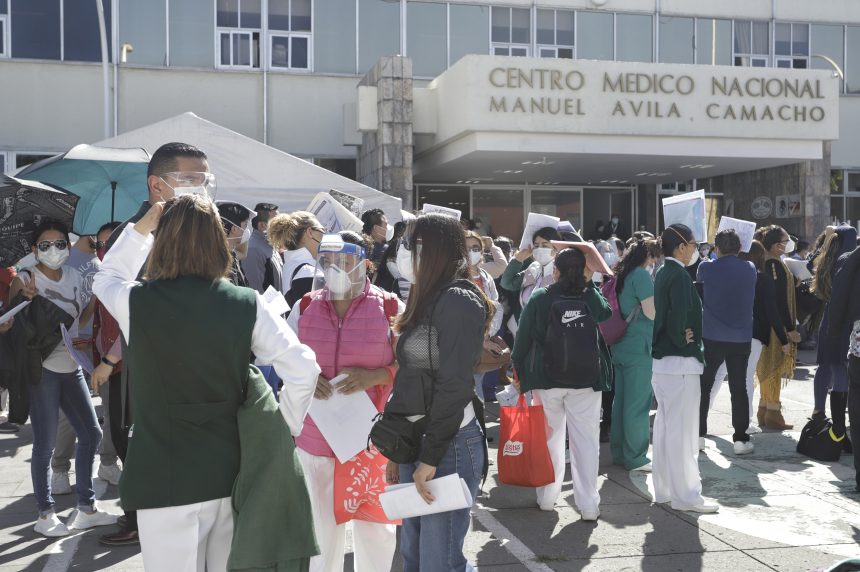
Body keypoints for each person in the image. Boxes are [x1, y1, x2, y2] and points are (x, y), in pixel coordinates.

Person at [93, 195, 321, 571]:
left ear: (162, 244)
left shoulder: (137, 301)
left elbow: (107, 276)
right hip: (229, 470)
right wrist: (285, 427)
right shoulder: (247, 302)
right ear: (218, 240)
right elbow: (303, 369)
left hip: (161, 472)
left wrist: (143, 228)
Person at [288, 231, 402, 572]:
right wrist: (308, 378)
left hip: (370, 440)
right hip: (315, 438)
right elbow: (286, 358)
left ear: (365, 264)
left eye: (345, 261)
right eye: (329, 261)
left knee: (376, 532)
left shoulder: (391, 307)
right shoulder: (305, 305)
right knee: (321, 533)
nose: (336, 268)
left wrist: (379, 376)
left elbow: (414, 364)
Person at [382, 213, 489, 571]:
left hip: (449, 445)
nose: (403, 252)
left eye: (411, 244)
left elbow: (454, 386)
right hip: (420, 442)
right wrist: (399, 452)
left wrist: (429, 457)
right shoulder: (425, 297)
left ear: (435, 251)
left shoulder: (458, 300)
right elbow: (410, 379)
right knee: (413, 556)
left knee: (438, 562)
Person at [8, 220, 116, 537]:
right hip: (42, 370)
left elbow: (75, 321)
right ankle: (45, 514)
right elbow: (9, 324)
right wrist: (22, 297)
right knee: (44, 444)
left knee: (91, 433)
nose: (53, 250)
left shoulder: (75, 276)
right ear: (33, 250)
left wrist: (94, 299)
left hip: (72, 367)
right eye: (45, 245)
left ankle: (87, 508)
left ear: (68, 248)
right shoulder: (26, 279)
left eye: (59, 244)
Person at [512, 247, 612, 519]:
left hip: (547, 378)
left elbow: (523, 338)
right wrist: (589, 282)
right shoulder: (589, 295)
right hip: (587, 379)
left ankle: (547, 497)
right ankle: (588, 504)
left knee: (549, 439)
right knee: (586, 441)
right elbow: (605, 314)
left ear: (555, 270)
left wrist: (517, 370)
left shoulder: (542, 297)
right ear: (582, 271)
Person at [651, 224, 718, 514]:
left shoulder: (666, 271)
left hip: (665, 364)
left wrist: (680, 336)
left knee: (667, 430)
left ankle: (666, 490)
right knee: (682, 433)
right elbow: (679, 317)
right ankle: (687, 496)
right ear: (681, 247)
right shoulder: (677, 274)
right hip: (679, 362)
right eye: (693, 244)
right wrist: (684, 338)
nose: (696, 249)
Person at [52, 232, 122, 491]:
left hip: (105, 352)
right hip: (72, 349)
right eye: (103, 241)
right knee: (69, 415)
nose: (105, 245)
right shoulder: (64, 259)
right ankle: (59, 469)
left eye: (111, 241)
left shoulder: (114, 266)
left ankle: (108, 462)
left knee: (113, 410)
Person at [708, 240, 790, 436]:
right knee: (745, 378)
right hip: (752, 334)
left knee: (718, 374)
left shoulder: (731, 276)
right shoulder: (762, 279)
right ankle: (745, 423)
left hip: (725, 332)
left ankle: (699, 417)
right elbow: (772, 312)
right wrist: (784, 339)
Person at [697, 230, 757, 454]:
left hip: (711, 335)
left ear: (716, 248)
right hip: (741, 338)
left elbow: (703, 272)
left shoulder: (707, 267)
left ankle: (698, 435)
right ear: (739, 248)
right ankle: (740, 439)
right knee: (738, 387)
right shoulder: (750, 269)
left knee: (704, 386)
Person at [609, 238, 660, 472]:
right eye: (654, 256)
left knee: (620, 401)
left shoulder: (621, 274)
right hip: (639, 346)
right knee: (638, 404)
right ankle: (636, 457)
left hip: (620, 344)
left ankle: (619, 452)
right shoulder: (641, 276)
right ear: (648, 256)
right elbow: (651, 313)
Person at [810, 225, 857, 451]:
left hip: (829, 319)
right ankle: (840, 429)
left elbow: (810, 265)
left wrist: (825, 239)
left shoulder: (826, 260)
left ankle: (820, 412)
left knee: (826, 366)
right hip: (845, 321)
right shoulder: (849, 261)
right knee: (841, 371)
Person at [755, 225, 801, 430]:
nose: (787, 244)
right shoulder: (774, 264)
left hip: (766, 323)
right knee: (773, 366)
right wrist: (790, 329)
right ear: (775, 246)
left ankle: (764, 408)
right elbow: (779, 301)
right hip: (776, 327)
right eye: (784, 241)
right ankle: (773, 412)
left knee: (765, 365)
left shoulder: (765, 261)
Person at [826, 244, 860, 491]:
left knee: (857, 416)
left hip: (858, 346)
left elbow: (838, 298)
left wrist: (834, 330)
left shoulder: (851, 260)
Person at [465, 231, 504, 401]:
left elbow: (495, 306)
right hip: (461, 345)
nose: (471, 252)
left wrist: (487, 336)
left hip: (483, 343)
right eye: (466, 248)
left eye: (475, 248)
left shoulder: (485, 276)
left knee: (476, 390)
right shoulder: (452, 275)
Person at [501, 226, 561, 322]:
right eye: (536, 246)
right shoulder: (534, 268)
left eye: (545, 245)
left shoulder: (560, 271)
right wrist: (518, 259)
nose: (539, 249)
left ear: (556, 248)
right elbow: (507, 283)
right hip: (526, 328)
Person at [269, 211, 326, 307]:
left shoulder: (293, 263)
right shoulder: (308, 272)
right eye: (322, 229)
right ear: (310, 232)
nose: (324, 233)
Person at [242, 202, 283, 294]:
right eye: (277, 223)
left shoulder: (269, 244)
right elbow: (255, 292)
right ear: (262, 225)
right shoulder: (253, 250)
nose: (283, 226)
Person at [217, 201, 255, 287]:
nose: (247, 230)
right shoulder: (219, 260)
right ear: (234, 229)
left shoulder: (231, 255)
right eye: (245, 225)